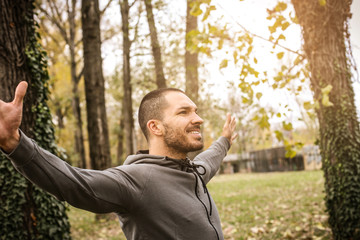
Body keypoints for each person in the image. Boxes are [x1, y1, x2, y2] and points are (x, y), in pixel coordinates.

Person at [0, 81, 238, 240]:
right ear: (155, 127)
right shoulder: (136, 180)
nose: (199, 119)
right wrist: (15, 143)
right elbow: (74, 184)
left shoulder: (192, 171)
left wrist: (224, 141)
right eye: (184, 112)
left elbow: (209, 161)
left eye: (195, 111)